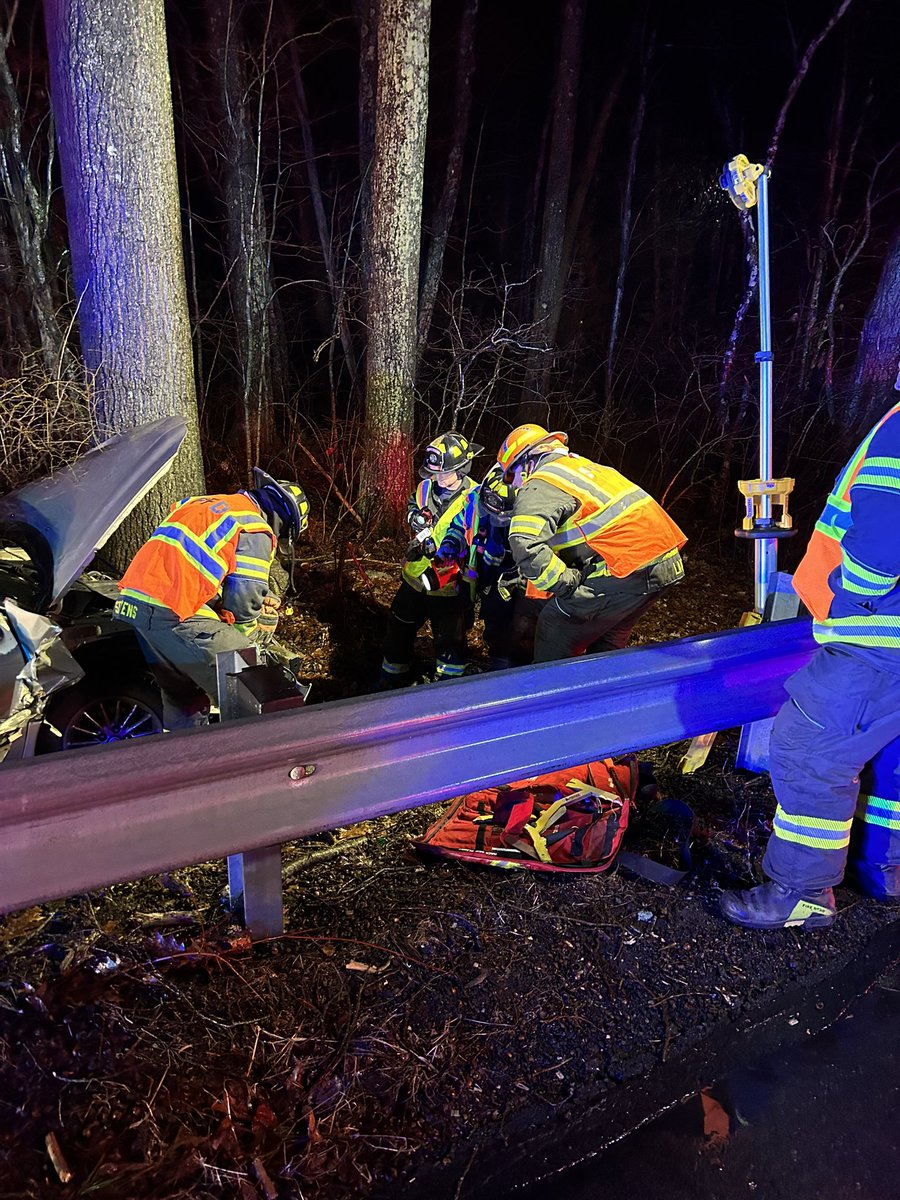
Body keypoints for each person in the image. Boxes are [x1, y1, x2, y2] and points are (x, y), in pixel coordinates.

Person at [721, 367, 900, 929]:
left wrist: (858, 600)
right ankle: (884, 869)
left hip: (877, 637)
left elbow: (882, 532)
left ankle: (799, 892)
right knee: (888, 754)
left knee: (807, 750)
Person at [114, 469, 309, 730]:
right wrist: (250, 635)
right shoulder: (255, 527)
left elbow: (193, 567)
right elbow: (244, 600)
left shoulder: (207, 504)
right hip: (171, 612)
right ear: (283, 523)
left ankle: (187, 762)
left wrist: (221, 603)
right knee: (249, 684)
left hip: (135, 605)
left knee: (184, 699)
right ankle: (251, 760)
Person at [496, 423, 687, 663]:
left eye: (511, 475)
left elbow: (525, 543)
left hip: (626, 567)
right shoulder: (587, 469)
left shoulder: (542, 481)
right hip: (663, 563)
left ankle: (553, 695)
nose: (513, 485)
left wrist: (565, 585)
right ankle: (601, 694)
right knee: (605, 640)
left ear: (527, 462)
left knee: (556, 623)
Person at [378, 432, 482, 687]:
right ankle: (392, 680)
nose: (436, 478)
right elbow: (414, 504)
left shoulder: (475, 497)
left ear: (461, 469)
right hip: (415, 577)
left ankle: (448, 688)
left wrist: (449, 549)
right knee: (398, 628)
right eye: (433, 473)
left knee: (449, 641)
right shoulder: (425, 487)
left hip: (449, 584)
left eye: (442, 473)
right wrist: (414, 516)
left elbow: (473, 534)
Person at [435, 464, 517, 670]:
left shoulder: (525, 517)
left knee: (504, 628)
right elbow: (459, 526)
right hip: (478, 576)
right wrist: (450, 545)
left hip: (509, 582)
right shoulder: (475, 501)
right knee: (468, 616)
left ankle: (503, 670)